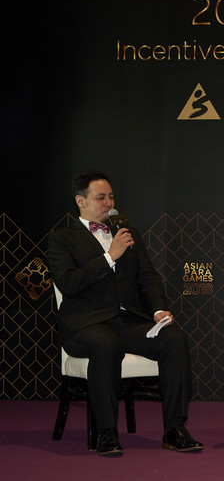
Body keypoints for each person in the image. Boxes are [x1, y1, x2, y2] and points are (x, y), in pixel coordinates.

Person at [47, 170, 202, 456]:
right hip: (85, 323)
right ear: (81, 201)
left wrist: (157, 309)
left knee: (173, 339)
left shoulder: (127, 234)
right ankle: (106, 434)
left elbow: (148, 276)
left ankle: (175, 429)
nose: (109, 203)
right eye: (100, 197)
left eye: (111, 197)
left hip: (126, 320)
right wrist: (109, 257)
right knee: (107, 345)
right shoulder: (62, 239)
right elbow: (68, 284)